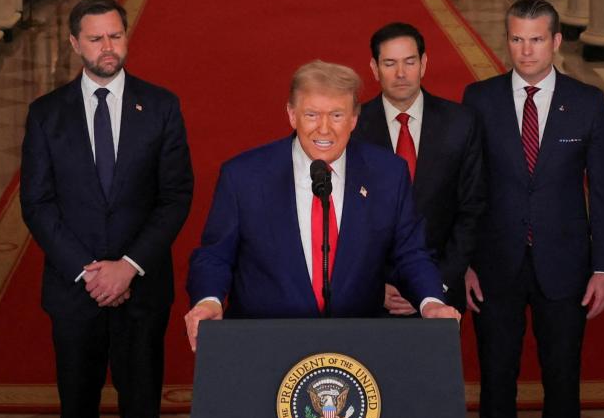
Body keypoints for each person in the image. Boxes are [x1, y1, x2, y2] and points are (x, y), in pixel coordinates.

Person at [20, 0, 194, 418]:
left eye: (115, 35)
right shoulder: (46, 115)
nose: (108, 47)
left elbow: (176, 195)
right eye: (95, 38)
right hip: (75, 292)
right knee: (77, 407)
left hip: (141, 289)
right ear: (75, 44)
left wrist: (128, 267)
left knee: (142, 406)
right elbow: (38, 205)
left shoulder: (160, 106)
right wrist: (90, 270)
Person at [184, 60, 462, 348]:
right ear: (292, 115)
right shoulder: (244, 176)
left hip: (357, 347)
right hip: (265, 345)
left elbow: (411, 253)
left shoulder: (387, 174)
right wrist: (208, 300)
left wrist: (431, 303)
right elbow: (215, 256)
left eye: (337, 115)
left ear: (354, 118)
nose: (325, 129)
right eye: (312, 114)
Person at [462, 0, 604, 418]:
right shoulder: (479, 99)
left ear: (555, 42)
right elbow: (466, 190)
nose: (525, 50)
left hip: (565, 269)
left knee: (562, 385)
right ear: (506, 40)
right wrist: (465, 263)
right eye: (516, 38)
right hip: (495, 267)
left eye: (535, 39)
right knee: (496, 386)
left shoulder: (588, 102)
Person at [354, 21, 486, 314]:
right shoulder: (352, 127)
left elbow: (472, 209)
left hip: (441, 290)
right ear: (374, 68)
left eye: (409, 62)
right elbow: (342, 217)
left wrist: (434, 287)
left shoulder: (461, 123)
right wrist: (374, 287)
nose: (401, 73)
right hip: (372, 297)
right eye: (390, 63)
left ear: (424, 64)